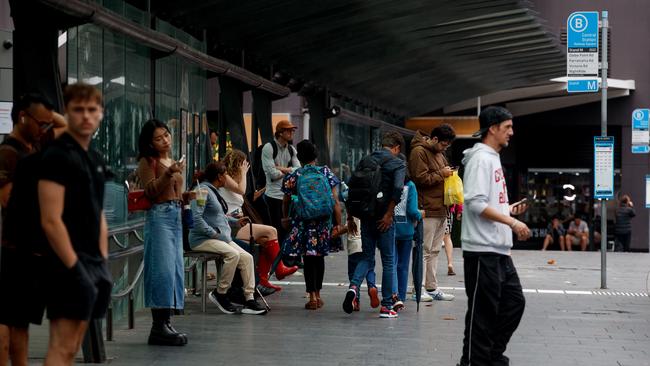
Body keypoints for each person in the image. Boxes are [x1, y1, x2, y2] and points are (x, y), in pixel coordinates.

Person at [38, 84, 113, 365]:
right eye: (78, 109)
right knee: (62, 345)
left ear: (101, 114)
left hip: (92, 261)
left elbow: (99, 213)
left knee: (71, 347)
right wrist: (76, 268)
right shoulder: (57, 156)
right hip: (65, 264)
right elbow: (50, 219)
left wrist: (102, 262)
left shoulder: (94, 157)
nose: (86, 116)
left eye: (92, 110)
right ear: (66, 113)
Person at [458, 106, 531, 366]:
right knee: (482, 315)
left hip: (498, 250)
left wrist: (508, 210)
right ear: (492, 128)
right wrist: (512, 222)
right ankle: (474, 362)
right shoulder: (481, 159)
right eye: (507, 127)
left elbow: (487, 203)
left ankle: (490, 356)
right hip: (482, 250)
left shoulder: (492, 157)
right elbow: (475, 203)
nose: (512, 132)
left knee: (514, 303)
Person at [0, 92, 65, 366]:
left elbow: (65, 127)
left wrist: (47, 118)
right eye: (41, 124)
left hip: (33, 251)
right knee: (10, 321)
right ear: (23, 117)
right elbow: (8, 200)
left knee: (22, 322)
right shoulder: (9, 153)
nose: (46, 129)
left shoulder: (34, 147)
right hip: (18, 250)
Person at [189, 162, 267, 315]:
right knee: (233, 255)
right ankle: (221, 293)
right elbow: (196, 218)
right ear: (219, 177)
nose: (227, 178)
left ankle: (249, 299)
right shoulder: (202, 190)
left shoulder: (213, 191)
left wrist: (234, 221)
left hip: (219, 237)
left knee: (247, 257)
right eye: (225, 175)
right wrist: (213, 233)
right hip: (203, 239)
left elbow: (218, 216)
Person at [343, 131, 406, 318]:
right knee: (388, 260)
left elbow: (352, 187)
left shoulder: (366, 160)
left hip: (365, 216)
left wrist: (350, 217)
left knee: (367, 257)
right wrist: (388, 214)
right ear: (396, 148)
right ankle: (387, 306)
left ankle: (353, 287)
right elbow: (397, 189)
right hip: (384, 218)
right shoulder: (397, 162)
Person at [137, 119, 188, 346]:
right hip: (159, 217)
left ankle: (165, 323)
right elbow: (150, 191)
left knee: (174, 269)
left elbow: (175, 191)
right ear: (150, 143)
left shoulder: (171, 160)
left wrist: (187, 197)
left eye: (166, 135)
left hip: (175, 214)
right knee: (162, 269)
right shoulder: (148, 161)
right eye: (158, 138)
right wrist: (169, 174)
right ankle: (158, 326)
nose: (165, 140)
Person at [219, 149, 298, 294]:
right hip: (230, 225)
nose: (246, 167)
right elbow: (241, 190)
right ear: (238, 163)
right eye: (244, 164)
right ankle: (279, 268)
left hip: (239, 222)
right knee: (271, 231)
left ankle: (262, 280)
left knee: (264, 240)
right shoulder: (224, 176)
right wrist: (243, 173)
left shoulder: (234, 178)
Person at [281, 140, 342, 310]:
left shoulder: (294, 175)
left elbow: (285, 200)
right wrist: (338, 224)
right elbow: (335, 201)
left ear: (299, 157)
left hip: (304, 223)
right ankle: (319, 294)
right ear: (315, 155)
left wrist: (285, 217)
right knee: (319, 257)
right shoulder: (325, 172)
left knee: (308, 259)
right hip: (323, 223)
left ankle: (312, 297)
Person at [408, 123, 456, 301]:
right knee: (424, 250)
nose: (444, 148)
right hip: (426, 209)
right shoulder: (418, 152)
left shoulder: (439, 153)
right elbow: (419, 179)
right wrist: (442, 174)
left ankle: (432, 287)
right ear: (434, 139)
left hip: (441, 209)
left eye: (447, 146)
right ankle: (417, 289)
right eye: (443, 144)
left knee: (435, 250)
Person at [261, 120, 300, 242]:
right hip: (273, 196)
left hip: (289, 196)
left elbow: (299, 170)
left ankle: (287, 259)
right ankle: (277, 259)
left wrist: (281, 168)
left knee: (291, 229)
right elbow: (272, 174)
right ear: (280, 132)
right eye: (289, 130)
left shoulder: (291, 149)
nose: (292, 132)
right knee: (276, 231)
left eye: (292, 130)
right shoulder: (269, 148)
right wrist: (289, 170)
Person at [392, 158, 422, 309]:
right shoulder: (410, 185)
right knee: (403, 266)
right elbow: (411, 210)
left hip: (389, 228)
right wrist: (420, 215)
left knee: (391, 264)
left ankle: (392, 295)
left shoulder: (388, 182)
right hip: (406, 231)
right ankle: (401, 297)